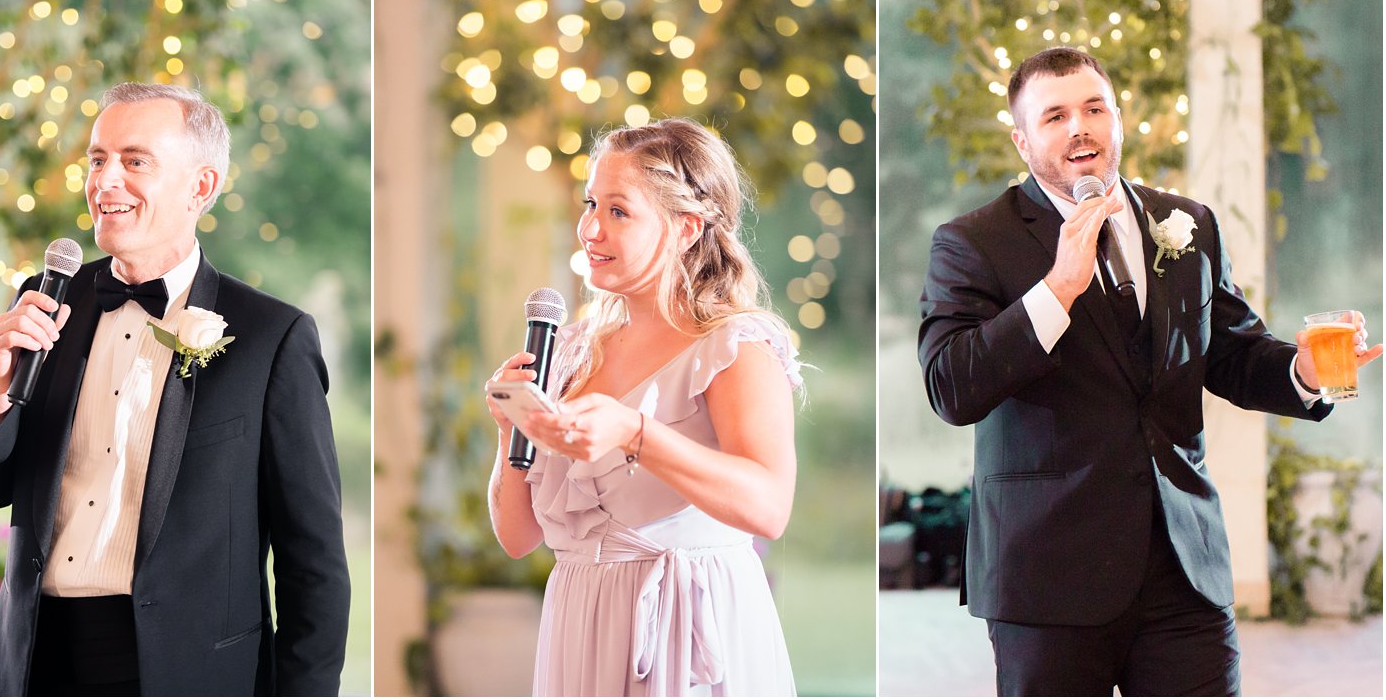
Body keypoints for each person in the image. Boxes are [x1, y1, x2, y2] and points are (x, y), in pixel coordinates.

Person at [918, 46, 1383, 696]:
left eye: (1093, 108)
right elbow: (951, 385)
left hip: (1183, 570)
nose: (1079, 126)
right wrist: (1057, 289)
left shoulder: (1188, 224)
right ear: (1022, 141)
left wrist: (1303, 369)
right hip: (1048, 579)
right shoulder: (972, 242)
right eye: (1054, 116)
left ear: (1118, 120)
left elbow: (1233, 353)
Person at [0, 83, 350, 695]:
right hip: (33, 661)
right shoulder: (46, 300)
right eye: (98, 159)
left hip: (183, 670)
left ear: (201, 187)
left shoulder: (274, 337)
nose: (106, 181)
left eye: (135, 161)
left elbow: (312, 562)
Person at [485, 118, 802, 696]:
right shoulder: (571, 352)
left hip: (687, 626)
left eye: (617, 211)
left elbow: (770, 507)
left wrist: (636, 432)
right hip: (580, 626)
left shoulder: (735, 347)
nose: (588, 228)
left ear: (686, 227)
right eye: (590, 205)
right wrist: (510, 432)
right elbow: (517, 537)